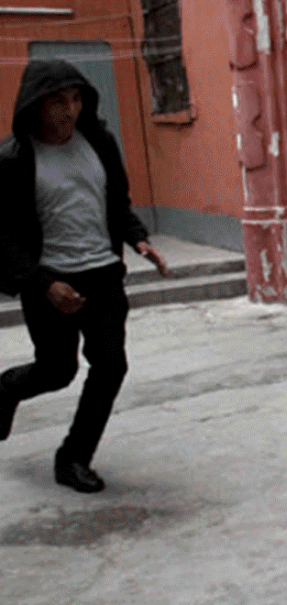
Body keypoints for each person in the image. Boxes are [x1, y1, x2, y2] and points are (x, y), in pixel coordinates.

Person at [0, 59, 168, 493]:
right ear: (35, 105)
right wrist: (44, 284)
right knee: (57, 371)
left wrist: (138, 238)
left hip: (103, 274)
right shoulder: (14, 159)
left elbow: (117, 203)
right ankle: (7, 389)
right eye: (58, 101)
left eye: (76, 99)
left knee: (111, 365)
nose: (69, 110)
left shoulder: (99, 142)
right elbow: (6, 237)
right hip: (50, 280)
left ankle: (73, 457)